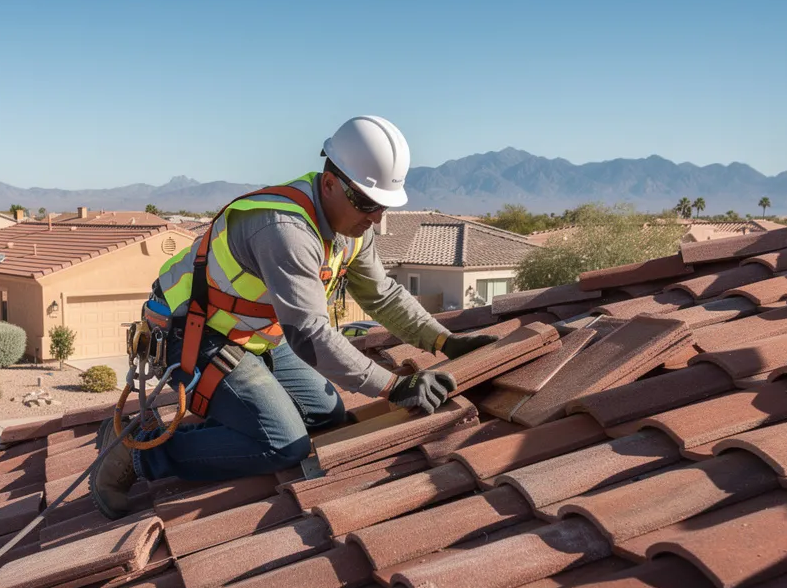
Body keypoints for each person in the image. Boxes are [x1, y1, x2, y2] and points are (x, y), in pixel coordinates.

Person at [90, 116, 497, 518]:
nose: (375, 218)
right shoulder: (284, 228)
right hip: (192, 332)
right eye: (367, 203)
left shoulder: (354, 227)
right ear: (330, 182)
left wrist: (445, 341)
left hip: (255, 336)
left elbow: (383, 295)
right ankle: (137, 449)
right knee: (283, 443)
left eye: (383, 207)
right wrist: (392, 386)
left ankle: (225, 423)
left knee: (327, 416)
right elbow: (308, 332)